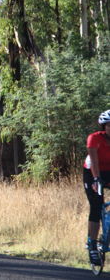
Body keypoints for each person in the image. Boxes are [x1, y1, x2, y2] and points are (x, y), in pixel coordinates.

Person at [84, 109, 110, 266]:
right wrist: (96, 180)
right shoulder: (94, 139)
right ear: (104, 126)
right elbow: (93, 161)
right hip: (92, 171)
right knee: (96, 204)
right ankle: (92, 243)